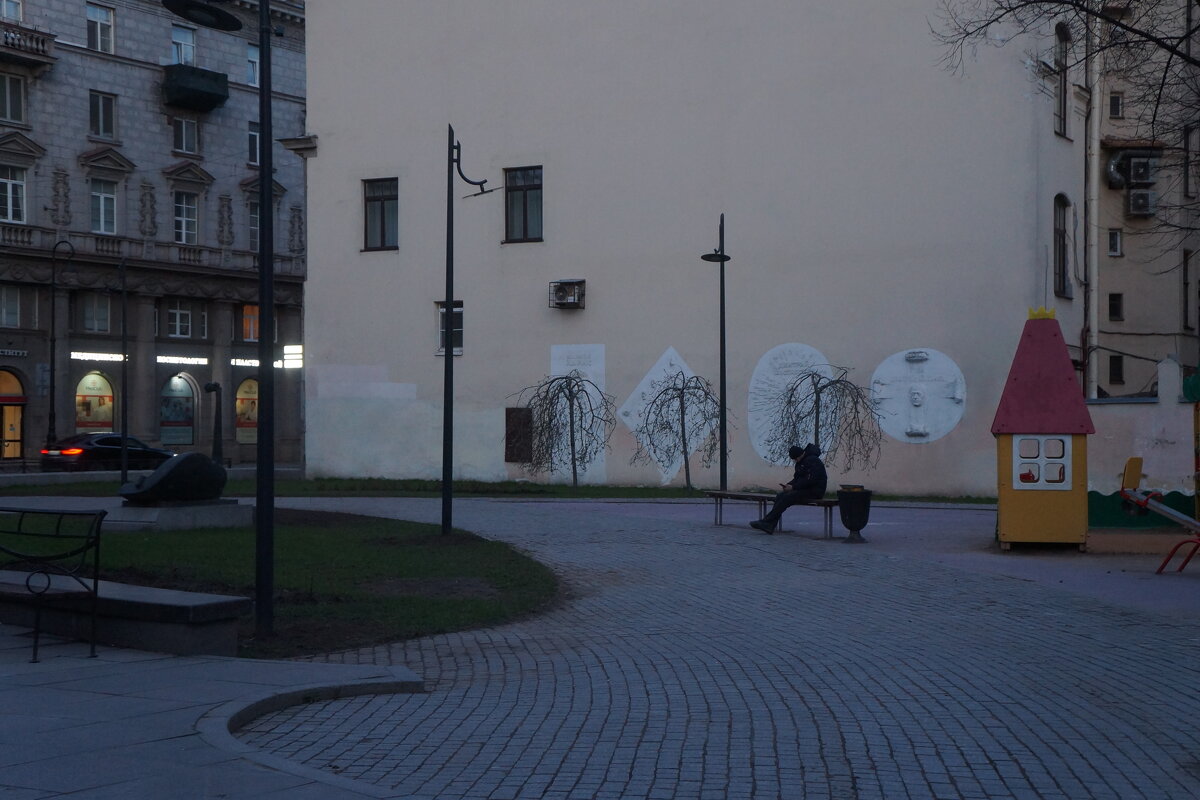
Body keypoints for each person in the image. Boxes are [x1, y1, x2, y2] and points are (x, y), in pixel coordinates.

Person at [750, 443, 827, 534]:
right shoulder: (801, 462)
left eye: (796, 458)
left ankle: (767, 522)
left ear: (800, 454)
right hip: (805, 489)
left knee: (788, 497)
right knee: (780, 496)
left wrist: (793, 487)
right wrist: (788, 485)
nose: (795, 460)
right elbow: (797, 478)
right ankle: (769, 525)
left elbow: (810, 480)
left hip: (815, 491)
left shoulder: (813, 460)